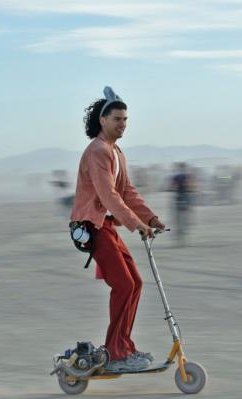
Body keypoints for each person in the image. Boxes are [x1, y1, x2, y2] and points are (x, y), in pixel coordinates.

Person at [70, 87, 166, 372]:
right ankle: (116, 354)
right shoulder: (98, 152)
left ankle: (123, 347)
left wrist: (150, 219)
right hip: (90, 227)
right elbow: (110, 196)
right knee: (123, 285)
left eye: (125, 119)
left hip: (106, 226)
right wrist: (135, 224)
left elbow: (127, 192)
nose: (123, 124)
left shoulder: (116, 152)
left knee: (135, 282)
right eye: (117, 119)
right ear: (103, 120)